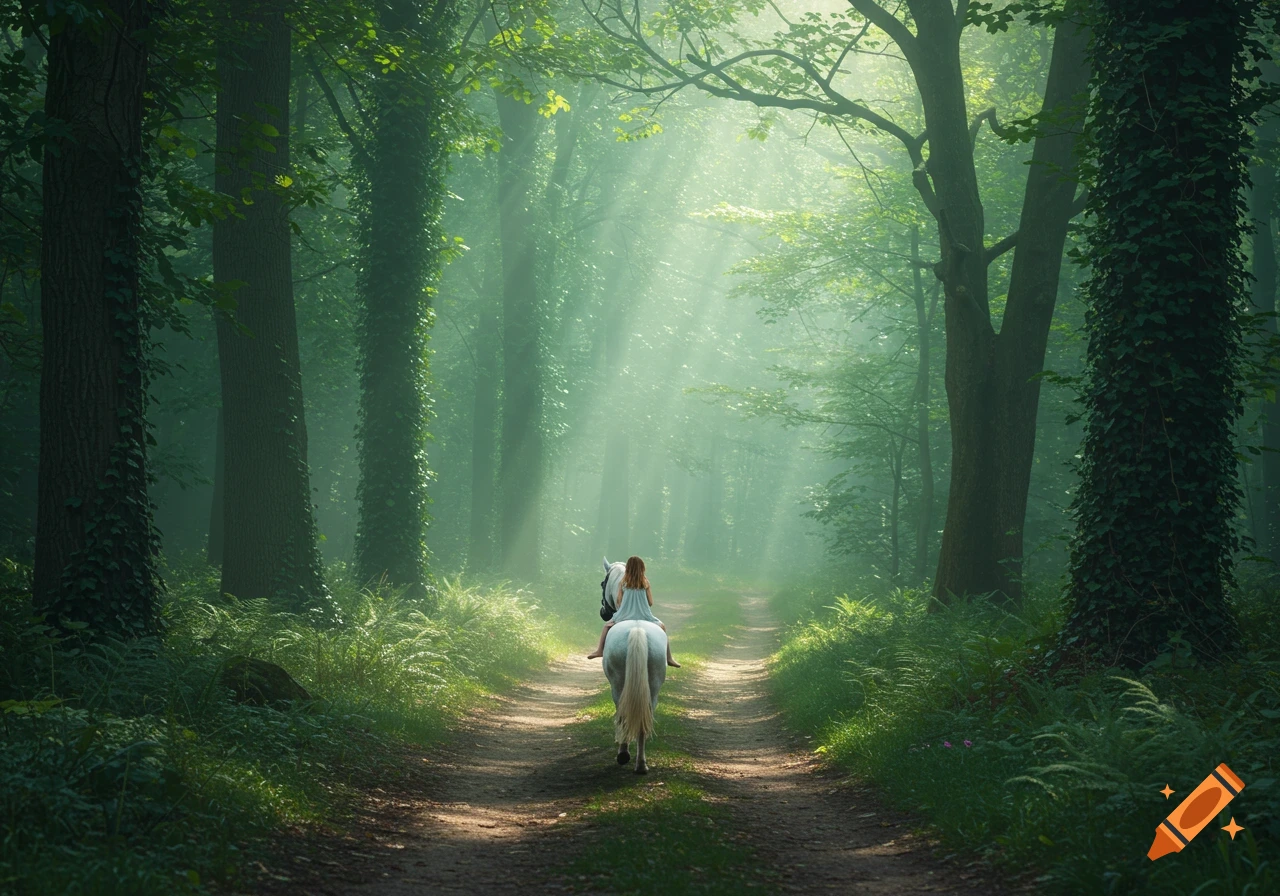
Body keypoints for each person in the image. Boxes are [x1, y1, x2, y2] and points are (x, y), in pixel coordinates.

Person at [587, 555, 679, 667]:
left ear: (628, 568)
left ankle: (599, 650)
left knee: (606, 626)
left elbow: (618, 602)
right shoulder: (645, 583)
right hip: (644, 615)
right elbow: (650, 602)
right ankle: (669, 658)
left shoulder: (623, 583)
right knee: (662, 627)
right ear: (642, 568)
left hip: (625, 615)